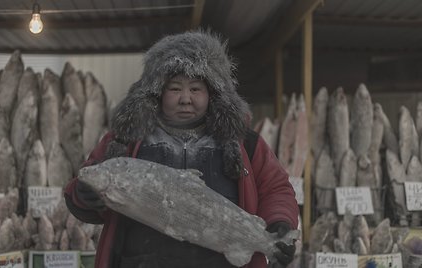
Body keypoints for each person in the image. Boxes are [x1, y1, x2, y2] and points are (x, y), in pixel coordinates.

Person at [64, 30, 299, 268]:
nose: (185, 98)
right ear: (157, 92)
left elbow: (275, 188)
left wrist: (279, 222)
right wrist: (84, 195)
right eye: (175, 88)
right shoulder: (124, 140)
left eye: (196, 89)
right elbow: (85, 183)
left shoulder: (245, 143)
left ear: (212, 94)